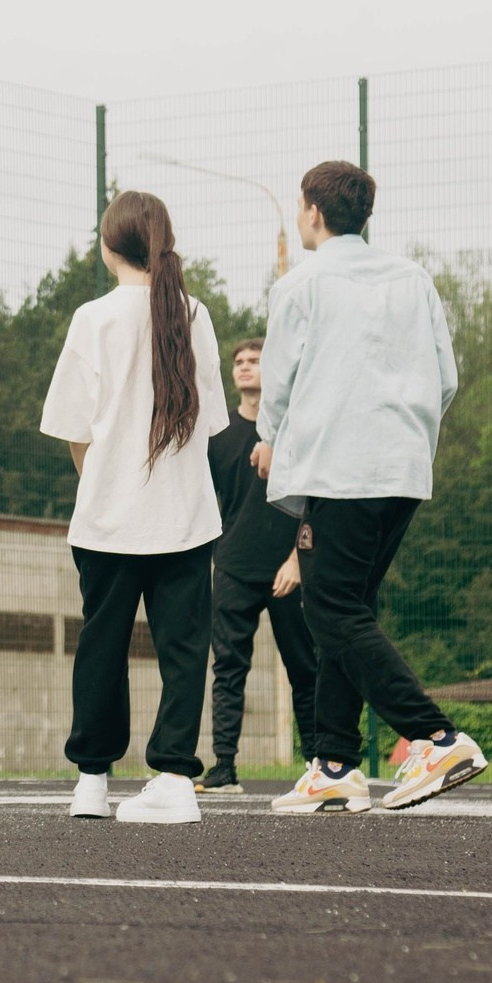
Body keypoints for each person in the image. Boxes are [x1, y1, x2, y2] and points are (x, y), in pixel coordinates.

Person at [254, 161, 485, 813]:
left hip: (339, 468)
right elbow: (445, 377)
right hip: (404, 468)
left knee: (330, 608)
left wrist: (272, 435)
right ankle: (333, 762)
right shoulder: (414, 280)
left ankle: (435, 737)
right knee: (349, 607)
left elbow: (277, 381)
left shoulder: (301, 284)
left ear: (313, 213)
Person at [39, 189, 228, 825]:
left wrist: (102, 479)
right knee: (184, 649)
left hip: (108, 516)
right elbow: (212, 421)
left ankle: (92, 783)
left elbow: (74, 427)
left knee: (102, 646)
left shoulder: (94, 318)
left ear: (108, 244)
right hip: (186, 514)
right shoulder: (195, 313)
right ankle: (174, 777)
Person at [199, 337, 320, 794]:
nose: (246, 368)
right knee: (228, 668)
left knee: (304, 669)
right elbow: (203, 502)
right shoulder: (218, 436)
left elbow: (314, 503)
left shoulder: (293, 433)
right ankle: (225, 767)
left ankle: (317, 763)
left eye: (255, 361)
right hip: (232, 566)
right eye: (240, 363)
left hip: (289, 570)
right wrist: (213, 558)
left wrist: (297, 560)